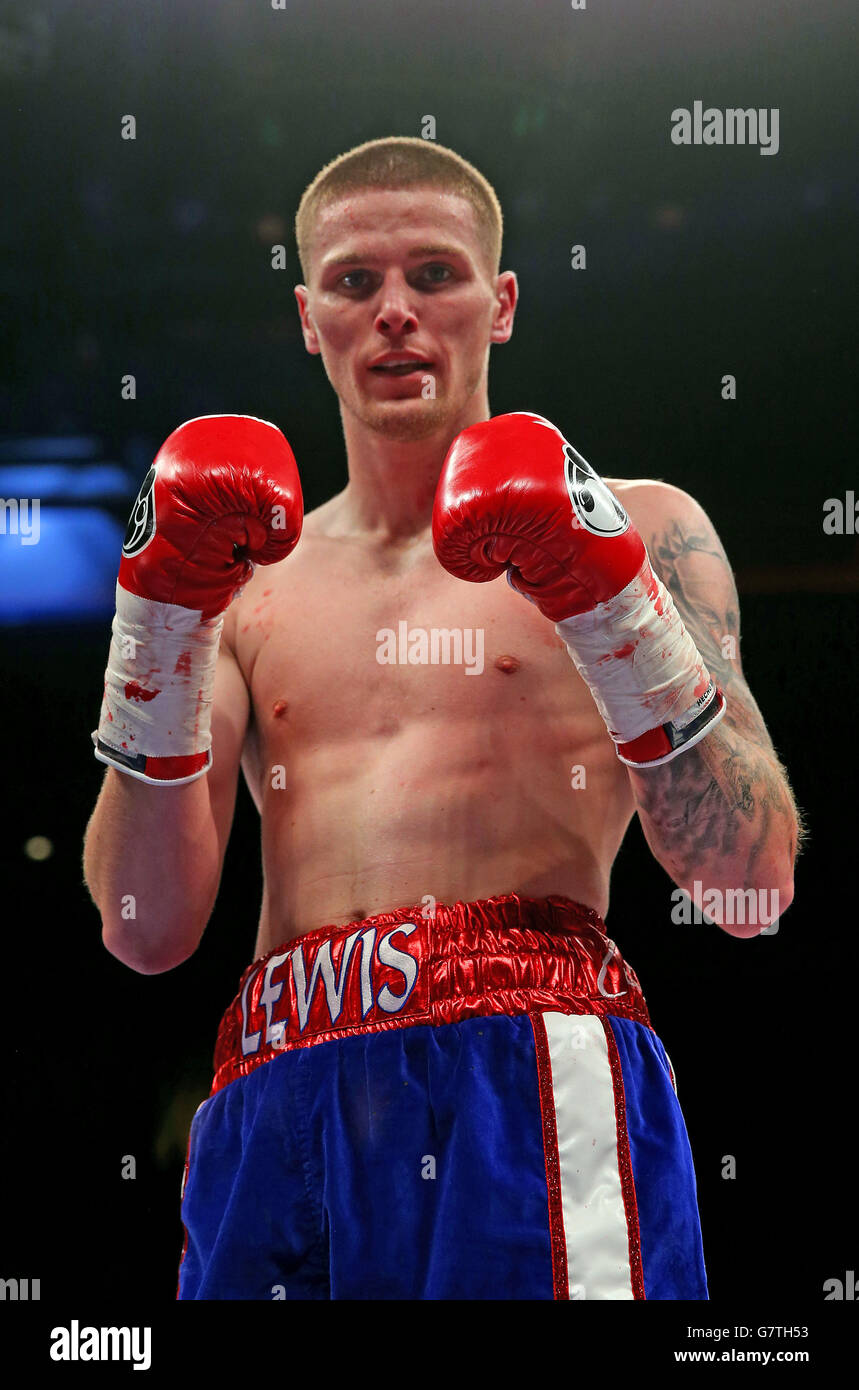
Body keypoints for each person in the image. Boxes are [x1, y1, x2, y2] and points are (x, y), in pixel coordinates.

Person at [83, 136, 803, 1300]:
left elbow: (749, 884)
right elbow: (145, 927)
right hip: (272, 1086)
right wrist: (160, 629)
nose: (397, 313)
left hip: (521, 1064)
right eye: (357, 284)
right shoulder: (239, 585)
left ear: (502, 302)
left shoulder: (648, 523)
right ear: (307, 318)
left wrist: (607, 598)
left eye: (436, 274)